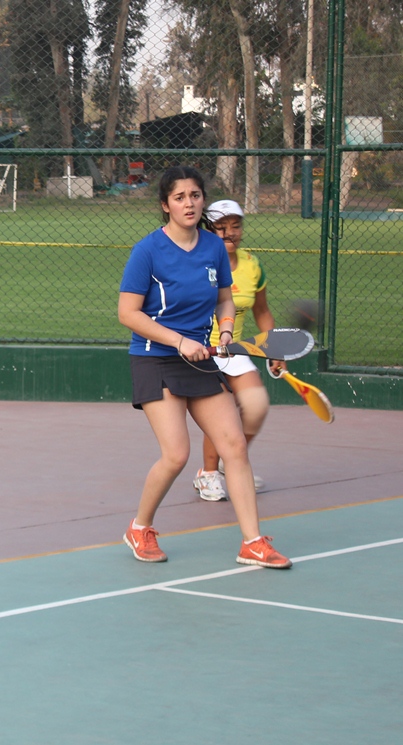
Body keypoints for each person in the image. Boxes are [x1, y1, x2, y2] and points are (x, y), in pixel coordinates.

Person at [117, 166, 291, 569]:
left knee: (234, 446)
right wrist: (178, 340)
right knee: (176, 455)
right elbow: (127, 313)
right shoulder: (148, 251)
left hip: (201, 359)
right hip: (154, 358)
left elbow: (224, 299)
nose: (189, 203)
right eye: (179, 197)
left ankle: (252, 542)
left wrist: (225, 330)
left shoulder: (214, 247)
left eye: (195, 196)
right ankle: (140, 526)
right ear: (165, 206)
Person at [191, 199, 282, 501]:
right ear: (208, 229)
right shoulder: (195, 260)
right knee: (222, 412)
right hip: (201, 352)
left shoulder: (252, 265)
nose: (230, 233)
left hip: (236, 351)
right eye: (221, 227)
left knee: (256, 406)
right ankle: (207, 474)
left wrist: (273, 348)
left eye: (236, 225)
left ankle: (234, 460)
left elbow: (262, 311)